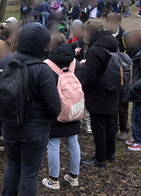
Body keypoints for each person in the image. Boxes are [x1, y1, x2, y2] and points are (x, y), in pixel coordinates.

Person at [0, 23, 61, 196]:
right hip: (35, 130)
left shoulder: (5, 61)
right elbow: (54, 107)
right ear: (40, 45)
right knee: (29, 172)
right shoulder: (42, 69)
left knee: (13, 166)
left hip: (9, 124)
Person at [41, 43, 83, 189]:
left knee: (53, 145)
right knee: (73, 142)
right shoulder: (75, 63)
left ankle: (54, 180)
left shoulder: (46, 65)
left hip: (55, 110)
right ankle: (74, 177)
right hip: (74, 109)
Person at [80, 19, 119, 167]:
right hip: (113, 89)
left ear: (89, 32)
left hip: (98, 93)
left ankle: (100, 158)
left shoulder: (95, 49)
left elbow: (90, 77)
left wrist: (84, 89)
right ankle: (111, 154)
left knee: (98, 126)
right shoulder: (113, 44)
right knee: (110, 123)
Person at [104, 13, 130, 141]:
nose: (110, 25)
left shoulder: (125, 36)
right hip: (110, 74)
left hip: (122, 74)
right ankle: (113, 127)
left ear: (118, 22)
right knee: (111, 103)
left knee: (122, 105)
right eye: (109, 22)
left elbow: (130, 55)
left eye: (113, 22)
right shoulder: (105, 35)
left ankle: (124, 129)